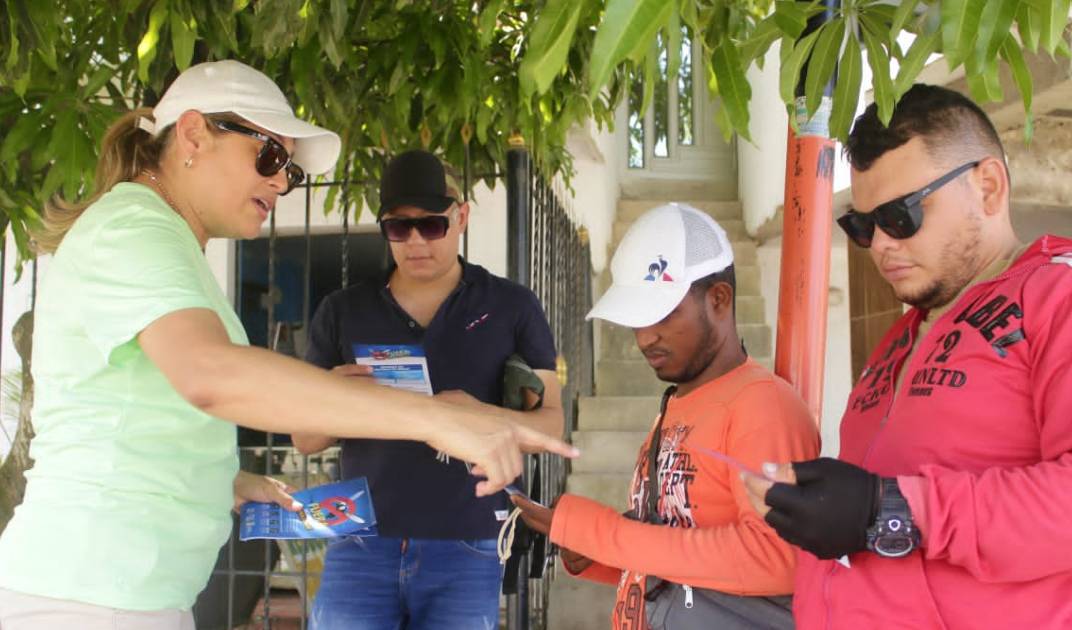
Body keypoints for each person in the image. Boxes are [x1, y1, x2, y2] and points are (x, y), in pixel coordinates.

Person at [0, 60, 574, 630]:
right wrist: (434, 419)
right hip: (86, 595)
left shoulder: (162, 238)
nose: (281, 182)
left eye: (290, 171)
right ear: (194, 135)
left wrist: (228, 483)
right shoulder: (133, 228)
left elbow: (134, 422)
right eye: (270, 156)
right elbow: (211, 375)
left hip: (124, 592)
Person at [744, 84, 1072, 629]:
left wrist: (890, 509)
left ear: (987, 187)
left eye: (901, 215)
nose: (881, 244)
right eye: (862, 226)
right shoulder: (906, 334)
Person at [512, 203, 820, 630]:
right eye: (636, 318)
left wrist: (604, 534)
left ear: (719, 300)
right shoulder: (678, 402)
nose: (644, 337)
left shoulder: (763, 406)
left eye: (660, 314)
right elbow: (682, 557)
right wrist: (598, 554)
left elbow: (778, 558)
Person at [291, 149, 563, 630]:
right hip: (361, 540)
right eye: (399, 227)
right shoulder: (343, 310)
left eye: (432, 225)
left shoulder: (511, 306)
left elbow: (551, 425)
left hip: (467, 542)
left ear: (461, 218)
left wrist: (475, 414)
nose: (416, 240)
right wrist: (333, 397)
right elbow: (305, 439)